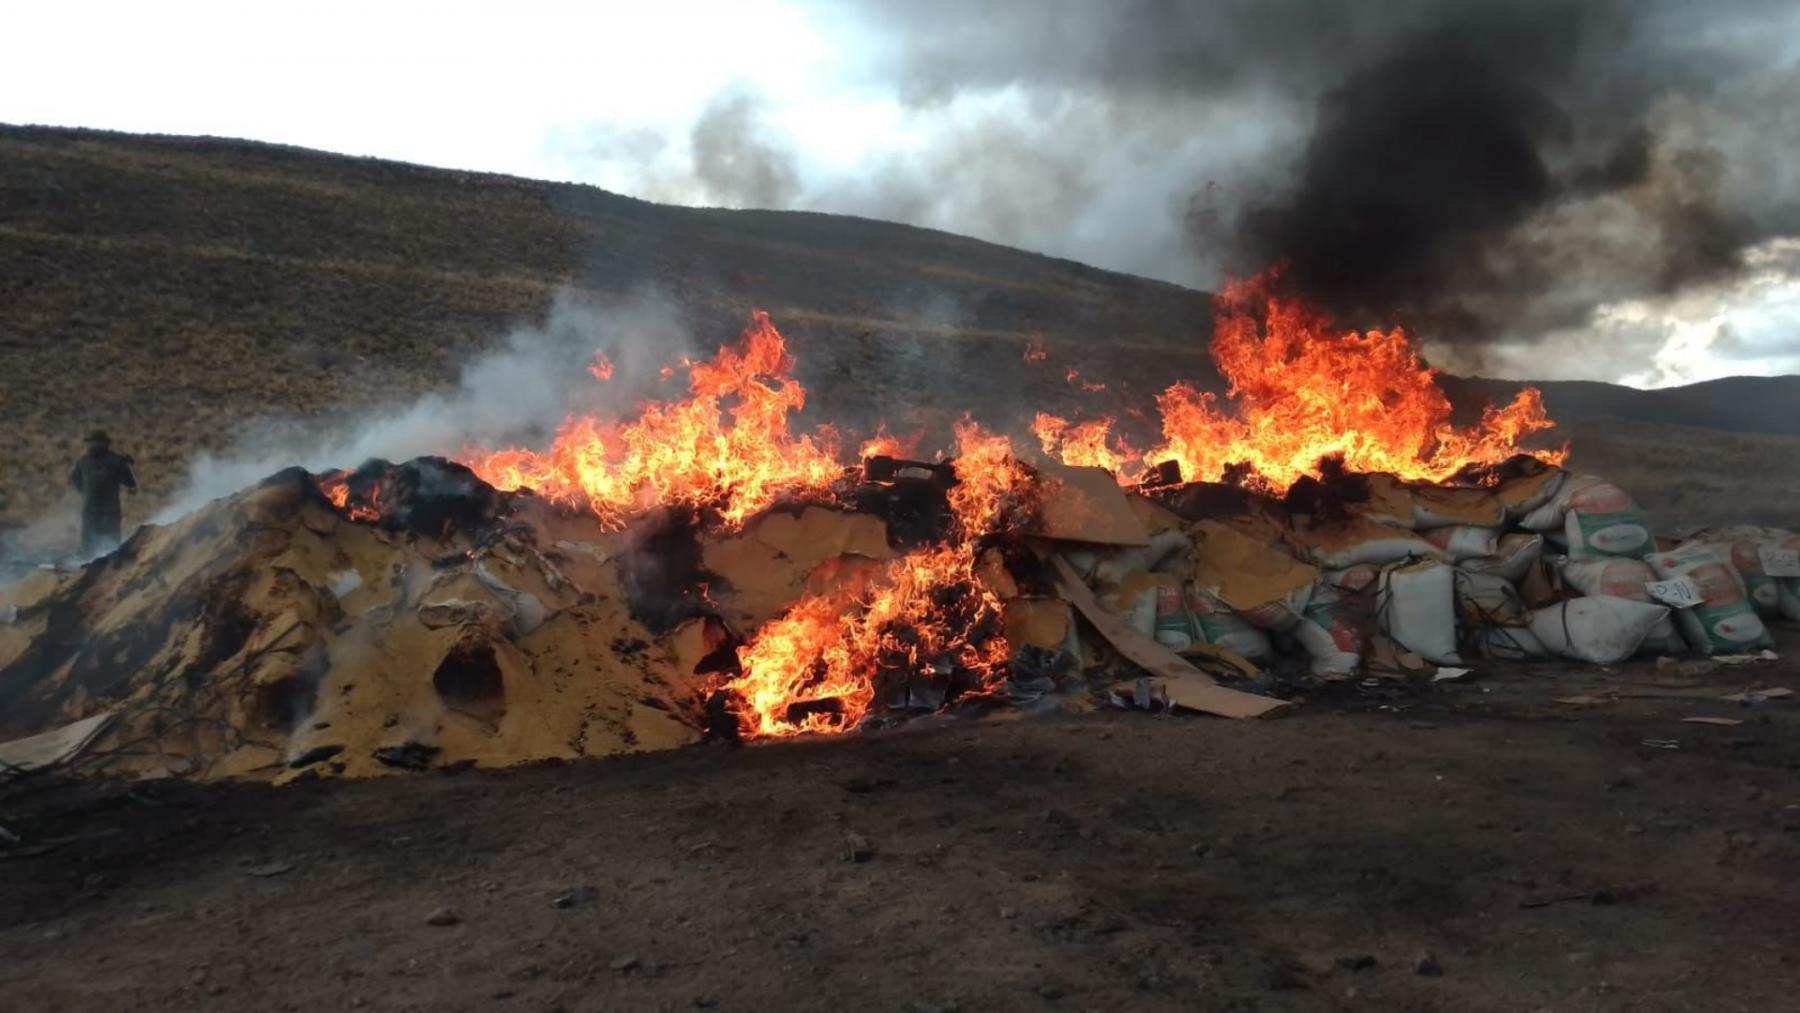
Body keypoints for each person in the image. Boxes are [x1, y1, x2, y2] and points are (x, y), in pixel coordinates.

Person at [68, 430, 138, 557]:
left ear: (106, 444)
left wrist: (128, 467)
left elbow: (131, 484)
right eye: (93, 443)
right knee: (90, 546)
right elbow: (75, 479)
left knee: (110, 546)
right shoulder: (83, 462)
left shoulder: (116, 462)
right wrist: (84, 491)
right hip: (92, 511)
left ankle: (109, 568)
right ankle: (90, 567)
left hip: (108, 511)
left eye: (98, 443)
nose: (95, 445)